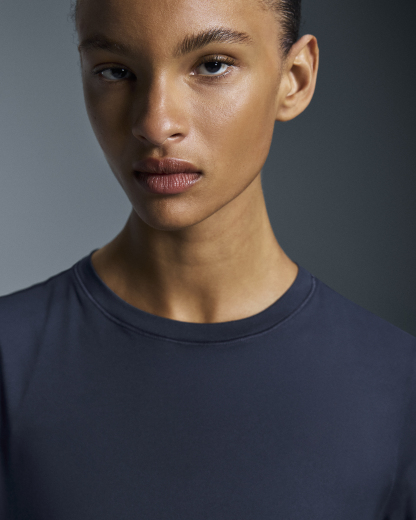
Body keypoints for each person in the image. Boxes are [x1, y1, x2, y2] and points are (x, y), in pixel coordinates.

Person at [0, 0, 415, 518]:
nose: (156, 124)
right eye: (116, 71)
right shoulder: (9, 363)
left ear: (295, 79)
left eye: (213, 65)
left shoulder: (400, 390)